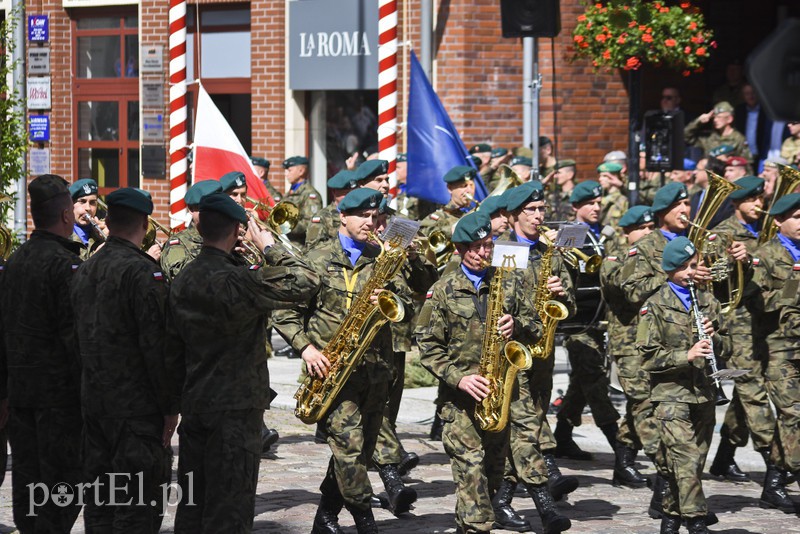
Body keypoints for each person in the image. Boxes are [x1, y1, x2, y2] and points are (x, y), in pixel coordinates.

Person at [168, 193, 319, 532]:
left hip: (195, 403)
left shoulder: (184, 278)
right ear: (239, 229)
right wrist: (268, 245)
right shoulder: (238, 281)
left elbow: (171, 346)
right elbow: (306, 280)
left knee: (194, 505)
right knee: (231, 509)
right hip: (234, 409)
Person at [273, 187, 413, 533]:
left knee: (359, 452)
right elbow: (285, 311)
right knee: (349, 450)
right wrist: (307, 349)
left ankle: (324, 518)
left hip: (374, 371)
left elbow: (407, 307)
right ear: (342, 217)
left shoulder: (383, 257)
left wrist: (392, 296)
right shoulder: (316, 258)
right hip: (330, 372)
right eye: (363, 216)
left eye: (374, 217)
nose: (371, 223)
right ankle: (366, 522)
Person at [417, 211, 555, 534]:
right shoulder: (443, 291)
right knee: (470, 472)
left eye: (487, 244)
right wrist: (459, 378)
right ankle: (477, 525)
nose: (483, 253)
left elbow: (537, 325)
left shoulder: (506, 281)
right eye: (475, 247)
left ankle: (469, 521)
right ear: (460, 249)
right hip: (460, 402)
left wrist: (516, 324)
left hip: (499, 396)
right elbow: (426, 346)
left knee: (493, 477)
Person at [71, 187, 179, 532]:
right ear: (145, 223)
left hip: (94, 405)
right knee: (136, 508)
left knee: (100, 504)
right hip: (136, 411)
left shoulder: (85, 270)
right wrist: (169, 408)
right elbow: (157, 348)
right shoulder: (144, 273)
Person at [0, 174, 84, 532]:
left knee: (28, 488)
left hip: (21, 397)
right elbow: (75, 338)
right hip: (59, 403)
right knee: (61, 492)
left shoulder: (15, 261)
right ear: (67, 215)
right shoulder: (64, 265)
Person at [637, 236, 733, 534]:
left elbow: (728, 346)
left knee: (690, 465)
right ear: (670, 269)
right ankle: (696, 522)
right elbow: (646, 357)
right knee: (687, 460)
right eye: (684, 267)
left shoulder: (708, 302)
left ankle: (670, 520)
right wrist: (686, 355)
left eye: (694, 265)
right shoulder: (654, 305)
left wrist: (714, 338)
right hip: (671, 397)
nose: (691, 272)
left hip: (703, 394)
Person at [496, 182, 579, 522]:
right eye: (532, 211)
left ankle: (501, 500)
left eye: (543, 210)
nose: (539, 216)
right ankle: (545, 501)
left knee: (524, 430)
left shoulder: (551, 253)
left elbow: (571, 307)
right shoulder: (506, 249)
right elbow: (502, 301)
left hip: (543, 356)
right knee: (527, 429)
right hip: (514, 352)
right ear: (515, 215)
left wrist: (560, 294)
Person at [706, 177, 784, 491]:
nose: (758, 206)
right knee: (753, 393)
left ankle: (724, 457)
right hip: (737, 325)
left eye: (760, 200)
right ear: (737, 202)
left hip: (767, 322)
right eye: (752, 200)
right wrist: (731, 260)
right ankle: (777, 470)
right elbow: (714, 277)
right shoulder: (721, 234)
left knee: (744, 395)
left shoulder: (768, 233)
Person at [554, 181, 620, 460]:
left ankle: (562, 435)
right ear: (576, 207)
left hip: (598, 320)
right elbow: (565, 271)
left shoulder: (604, 234)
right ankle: (621, 449)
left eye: (598, 203)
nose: (596, 207)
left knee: (582, 382)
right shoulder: (571, 233)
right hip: (576, 323)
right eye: (590, 204)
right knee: (594, 380)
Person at [600, 206, 657, 489]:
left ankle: (624, 463)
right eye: (642, 229)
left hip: (657, 342)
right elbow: (630, 291)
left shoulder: (659, 257)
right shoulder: (615, 260)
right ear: (627, 232)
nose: (649, 234)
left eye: (652, 228)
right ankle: (667, 466)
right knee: (644, 401)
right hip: (630, 344)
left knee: (641, 403)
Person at [752, 192, 800, 514]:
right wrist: (794, 286)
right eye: (796, 217)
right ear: (779, 221)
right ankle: (791, 472)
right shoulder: (766, 255)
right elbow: (756, 301)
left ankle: (774, 482)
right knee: (793, 414)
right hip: (780, 347)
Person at [161, 179, 223, 281]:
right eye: (205, 209)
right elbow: (183, 279)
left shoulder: (230, 238)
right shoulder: (178, 243)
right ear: (191, 209)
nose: (212, 214)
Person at [304, 169, 359, 252]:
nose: (351, 197)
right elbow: (313, 249)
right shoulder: (322, 217)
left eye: (353, 193)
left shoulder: (361, 214)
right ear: (334, 192)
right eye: (346, 193)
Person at [684, 101, 753, 165]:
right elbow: (686, 136)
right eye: (714, 118)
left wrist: (728, 161)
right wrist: (698, 121)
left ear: (729, 119)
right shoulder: (709, 137)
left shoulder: (739, 139)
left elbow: (747, 163)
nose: (715, 120)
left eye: (719, 117)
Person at [420, 166, 478, 239]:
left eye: (471, 185)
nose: (469, 190)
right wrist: (455, 230)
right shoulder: (438, 216)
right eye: (464, 186)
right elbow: (425, 235)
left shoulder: (477, 213)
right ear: (450, 188)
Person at [283, 156, 323, 246]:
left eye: (289, 170)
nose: (286, 174)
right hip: (286, 244)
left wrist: (284, 226)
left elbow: (309, 223)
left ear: (301, 171)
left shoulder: (310, 195)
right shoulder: (288, 194)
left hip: (299, 246)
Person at [70, 177, 106, 258]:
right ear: (71, 204)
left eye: (92, 202)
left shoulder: (102, 230)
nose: (88, 208)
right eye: (82, 202)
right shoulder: (63, 235)